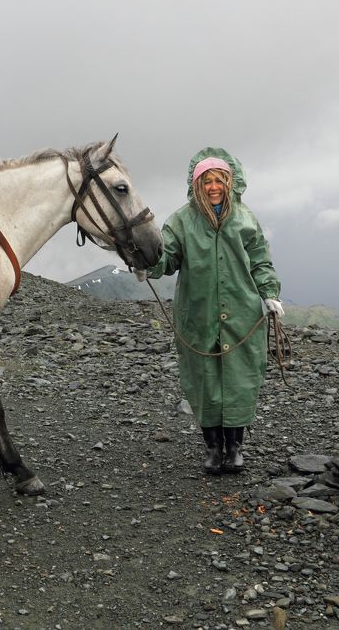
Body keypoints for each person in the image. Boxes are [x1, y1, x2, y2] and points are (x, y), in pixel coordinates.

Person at [141, 147, 283, 474]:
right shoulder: (181, 221)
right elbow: (168, 259)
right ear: (197, 185)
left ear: (230, 182)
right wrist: (147, 262)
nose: (214, 187)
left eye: (219, 181)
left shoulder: (245, 219)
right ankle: (213, 448)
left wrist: (270, 294)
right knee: (203, 378)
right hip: (198, 315)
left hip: (243, 312)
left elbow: (260, 261)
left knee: (239, 378)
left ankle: (235, 448)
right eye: (207, 182)